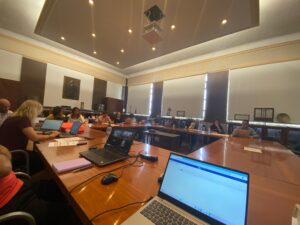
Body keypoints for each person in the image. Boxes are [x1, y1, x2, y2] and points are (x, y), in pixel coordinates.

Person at [0, 145, 81, 225]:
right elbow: (6, 166)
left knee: (58, 188)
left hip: (17, 185)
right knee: (72, 216)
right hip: (11, 201)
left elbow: (6, 156)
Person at [0, 100, 60, 174]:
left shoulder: (14, 117)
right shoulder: (23, 119)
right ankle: (33, 178)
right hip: (14, 154)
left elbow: (30, 132)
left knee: (36, 153)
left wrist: (44, 133)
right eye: (38, 112)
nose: (38, 114)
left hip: (5, 152)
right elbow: (34, 137)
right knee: (42, 158)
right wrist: (52, 135)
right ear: (33, 111)